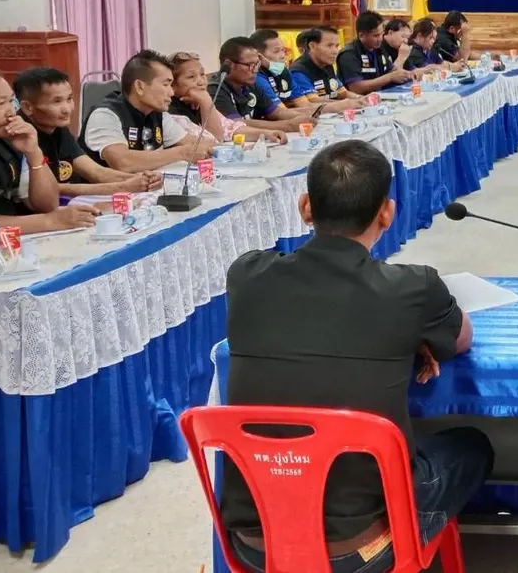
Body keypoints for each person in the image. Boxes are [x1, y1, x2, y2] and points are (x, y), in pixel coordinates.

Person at [221, 139, 493, 573]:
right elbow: (461, 339)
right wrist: (416, 335)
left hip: (253, 545)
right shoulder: (412, 288)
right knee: (471, 447)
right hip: (358, 550)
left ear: (305, 207)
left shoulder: (246, 275)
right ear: (387, 213)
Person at [12, 67, 162, 196]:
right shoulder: (20, 138)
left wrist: (142, 179)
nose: (67, 109)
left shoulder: (58, 128)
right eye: (56, 101)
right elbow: (48, 190)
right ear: (28, 108)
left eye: (69, 99)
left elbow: (95, 171)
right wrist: (122, 187)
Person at [0, 70, 100, 232]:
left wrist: (34, 152)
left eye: (11, 101)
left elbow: (48, 205)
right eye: (1, 104)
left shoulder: (9, 139)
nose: (11, 112)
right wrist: (49, 221)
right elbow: (48, 216)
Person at [82, 50, 218, 172]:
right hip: (105, 191)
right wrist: (182, 153)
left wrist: (210, 148)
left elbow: (195, 144)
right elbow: (123, 162)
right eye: (166, 84)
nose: (171, 92)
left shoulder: (158, 114)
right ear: (139, 87)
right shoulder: (105, 115)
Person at [167, 52, 288, 144]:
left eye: (202, 74)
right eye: (191, 77)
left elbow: (230, 128)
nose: (201, 81)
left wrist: (265, 134)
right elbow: (213, 141)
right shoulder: (172, 114)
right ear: (173, 85)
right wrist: (206, 103)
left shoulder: (197, 102)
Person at [208, 38, 316, 133]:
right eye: (250, 65)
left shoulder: (250, 84)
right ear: (228, 65)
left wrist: (304, 117)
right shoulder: (216, 89)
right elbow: (235, 125)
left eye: (257, 64)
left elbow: (277, 112)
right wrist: (288, 125)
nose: (255, 70)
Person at [289, 27, 370, 110]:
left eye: (337, 46)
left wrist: (360, 98)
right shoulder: (298, 71)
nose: (335, 51)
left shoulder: (327, 64)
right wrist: (346, 104)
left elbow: (343, 93)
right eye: (329, 45)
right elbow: (313, 101)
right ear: (312, 46)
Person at [339, 12, 414, 95]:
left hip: (379, 96)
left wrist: (404, 74)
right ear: (361, 35)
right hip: (357, 100)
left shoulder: (379, 49)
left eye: (381, 34)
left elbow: (390, 71)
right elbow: (356, 88)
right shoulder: (349, 54)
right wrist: (390, 77)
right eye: (375, 35)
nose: (380, 39)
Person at [250, 29, 311, 107]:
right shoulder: (257, 77)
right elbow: (280, 111)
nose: (283, 55)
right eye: (276, 51)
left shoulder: (284, 72)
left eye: (283, 50)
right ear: (258, 56)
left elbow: (304, 104)